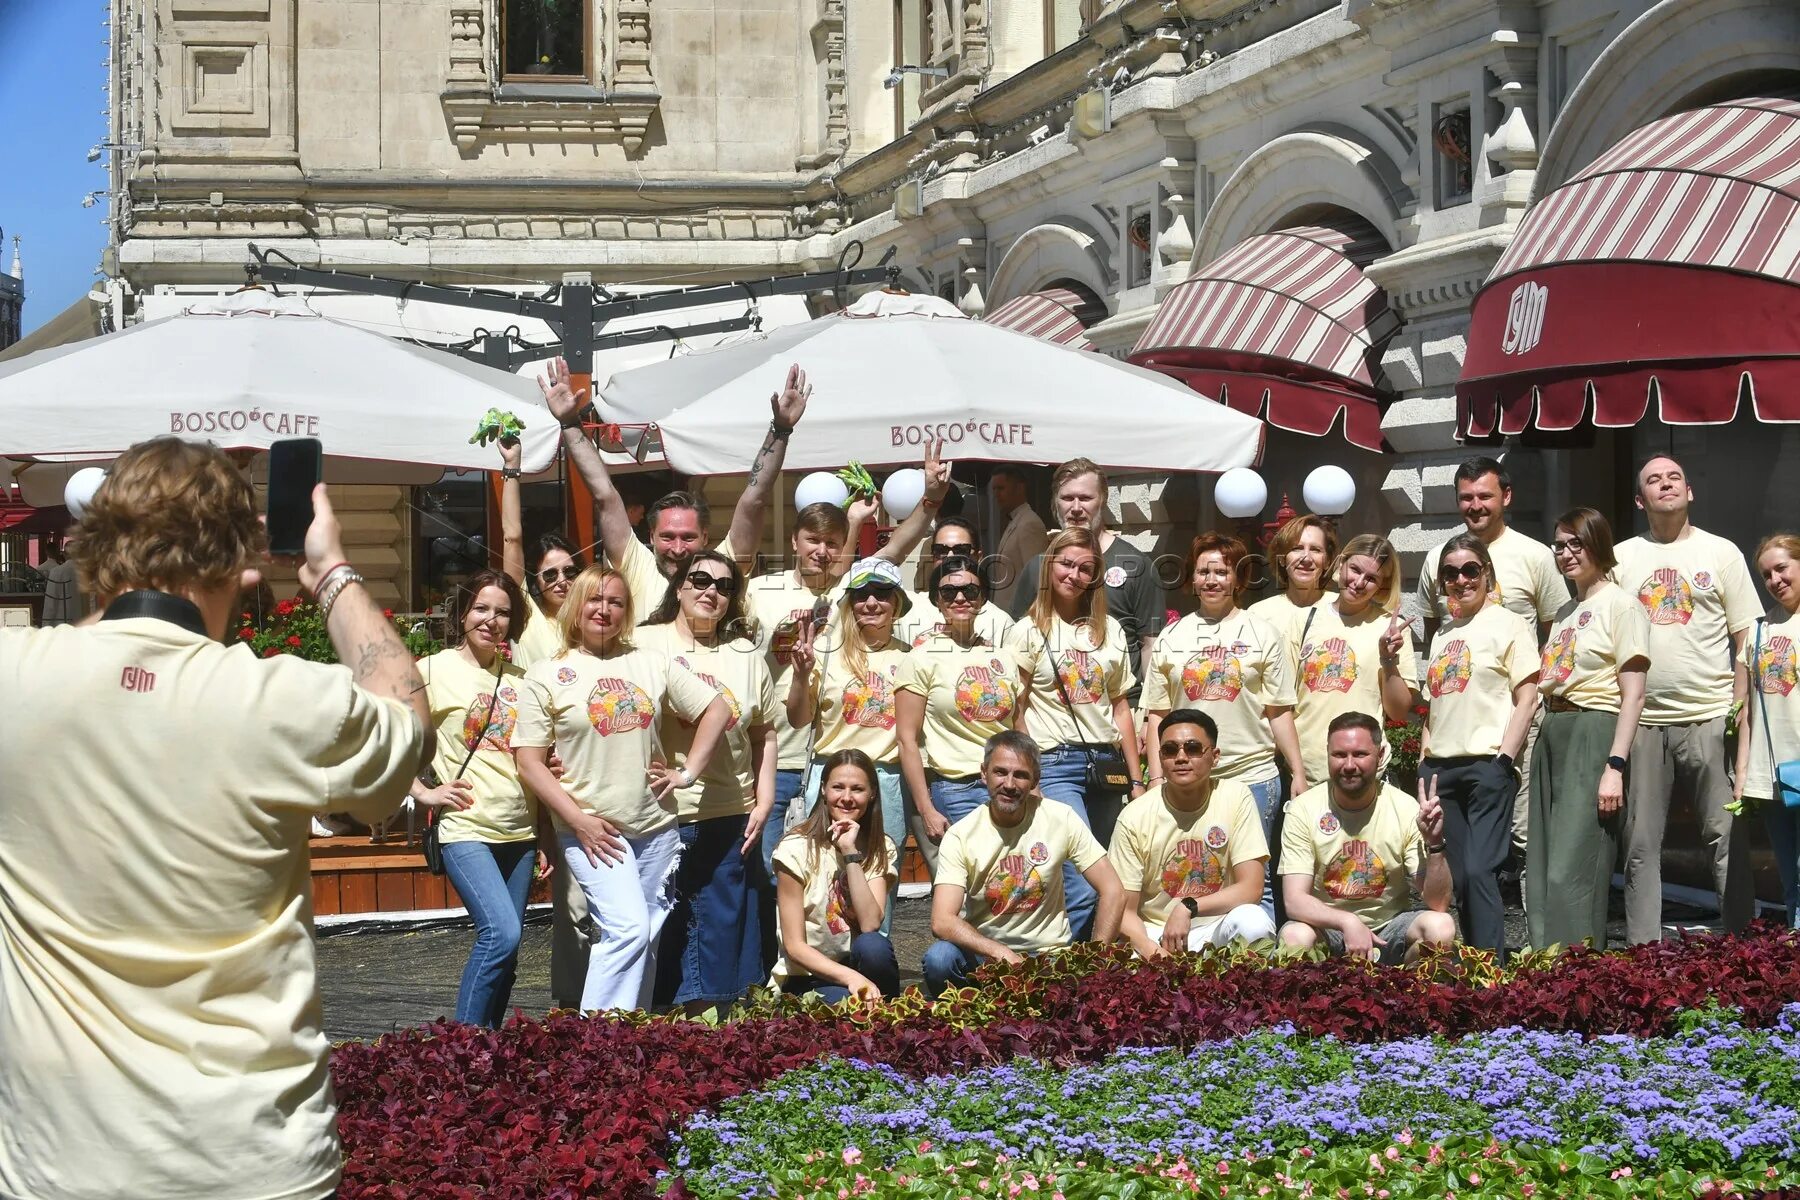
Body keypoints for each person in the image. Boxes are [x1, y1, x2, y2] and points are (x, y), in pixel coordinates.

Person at [0, 437, 431, 1200]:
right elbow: (407, 713)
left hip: (61, 1163)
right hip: (252, 1157)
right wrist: (331, 570)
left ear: (89, 551)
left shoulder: (13, 681)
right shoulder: (289, 704)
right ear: (245, 561)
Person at [513, 566, 733, 1011]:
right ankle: (596, 1043)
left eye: (615, 602)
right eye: (594, 599)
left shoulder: (650, 662)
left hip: (654, 827)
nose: (604, 609)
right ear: (576, 607)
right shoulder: (547, 673)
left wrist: (686, 774)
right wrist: (576, 821)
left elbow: (717, 708)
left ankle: (632, 1035)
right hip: (593, 829)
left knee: (647, 935)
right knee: (628, 929)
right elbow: (528, 761)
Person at [746, 442, 953, 877]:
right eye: (813, 541)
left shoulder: (849, 594)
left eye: (832, 543)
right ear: (794, 541)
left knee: (837, 876)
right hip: (768, 751)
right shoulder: (759, 591)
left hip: (824, 760)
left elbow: (898, 546)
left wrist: (931, 498)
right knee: (771, 872)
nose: (821, 551)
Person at [537, 355, 810, 619]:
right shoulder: (637, 565)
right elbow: (605, 496)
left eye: (688, 537)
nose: (678, 548)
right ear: (651, 535)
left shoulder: (722, 568)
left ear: (705, 537)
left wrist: (781, 430)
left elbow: (754, 501)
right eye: (668, 536)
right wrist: (570, 423)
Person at [1613, 454, 1757, 944]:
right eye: (1653, 479)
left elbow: (1745, 640)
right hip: (1644, 722)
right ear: (1640, 499)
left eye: (1674, 477)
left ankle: (1741, 945)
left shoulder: (1723, 553)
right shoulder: (1622, 558)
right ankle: (1643, 955)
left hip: (1710, 716)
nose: (1665, 484)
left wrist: (1738, 712)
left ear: (1689, 492)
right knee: (1640, 842)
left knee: (1726, 838)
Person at [637, 550, 779, 1011]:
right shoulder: (645, 644)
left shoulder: (746, 657)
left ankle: (713, 1036)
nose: (710, 591)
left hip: (728, 809)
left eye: (723, 585)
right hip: (658, 811)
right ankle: (657, 1027)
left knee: (720, 929)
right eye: (698, 580)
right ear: (678, 588)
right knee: (664, 928)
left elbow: (765, 733)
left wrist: (764, 800)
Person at [410, 568, 549, 1027]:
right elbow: (388, 741)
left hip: (521, 831)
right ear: (463, 613)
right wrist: (424, 792)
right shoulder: (429, 670)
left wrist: (545, 832)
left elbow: (536, 760)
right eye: (482, 608)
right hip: (465, 828)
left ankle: (487, 1049)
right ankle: (461, 1049)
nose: (492, 620)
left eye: (503, 612)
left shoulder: (524, 680)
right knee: (501, 934)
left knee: (509, 956)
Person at [1416, 456, 1568, 877]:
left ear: (1506, 496)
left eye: (1485, 495)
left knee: (1523, 823)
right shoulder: (1438, 558)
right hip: (1458, 717)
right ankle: (1475, 922)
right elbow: (1435, 632)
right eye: (1466, 497)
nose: (1475, 505)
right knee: (1458, 834)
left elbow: (1555, 630)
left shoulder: (1535, 556)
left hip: (1517, 707)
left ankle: (1531, 926)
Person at [1143, 532, 1303, 917]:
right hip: (1188, 779)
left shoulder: (1262, 632)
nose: (1212, 580)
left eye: (1221, 571)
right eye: (1203, 572)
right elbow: (1156, 715)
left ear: (1237, 578)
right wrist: (1154, 778)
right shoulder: (1173, 637)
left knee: (1254, 880)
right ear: (1192, 579)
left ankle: (1258, 965)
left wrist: (1297, 771)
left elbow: (1278, 710)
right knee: (1200, 872)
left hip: (1252, 775)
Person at [1004, 526, 1141, 939]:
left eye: (1085, 568)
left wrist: (1136, 779)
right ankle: (1072, 973)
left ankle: (1095, 981)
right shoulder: (1026, 631)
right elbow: (1017, 708)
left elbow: (1120, 707)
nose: (1074, 575)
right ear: (1049, 566)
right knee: (1082, 884)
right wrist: (1032, 775)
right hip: (1055, 764)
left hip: (1105, 765)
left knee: (1110, 879)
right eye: (1066, 564)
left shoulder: (1109, 630)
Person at [493, 438, 589, 1008]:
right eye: (548, 573)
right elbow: (510, 543)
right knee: (570, 901)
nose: (558, 580)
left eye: (567, 571)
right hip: (539, 773)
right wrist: (511, 472)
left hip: (591, 768)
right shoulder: (526, 625)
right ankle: (569, 1008)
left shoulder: (598, 625)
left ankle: (610, 1005)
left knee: (593, 900)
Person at [922, 731, 1125, 996]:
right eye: (1000, 772)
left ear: (1035, 781)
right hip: (987, 955)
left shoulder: (1060, 817)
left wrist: (1095, 961)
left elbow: (1114, 891)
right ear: (984, 774)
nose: (1009, 784)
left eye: (1020, 775)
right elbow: (941, 920)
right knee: (939, 959)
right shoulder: (961, 835)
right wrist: (998, 951)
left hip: (1049, 955)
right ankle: (967, 1015)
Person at [1531, 508, 1649, 951]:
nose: (1565, 554)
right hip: (1554, 728)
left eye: (1575, 544)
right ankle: (1540, 966)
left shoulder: (1623, 605)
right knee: (1542, 861)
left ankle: (1576, 972)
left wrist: (1614, 764)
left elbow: (1633, 694)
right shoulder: (1564, 611)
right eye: (1559, 545)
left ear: (1598, 543)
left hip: (1593, 728)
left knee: (1573, 864)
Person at [1417, 533, 1540, 957]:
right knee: (1459, 876)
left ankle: (1492, 973)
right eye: (1450, 573)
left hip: (1487, 762)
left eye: (1470, 570)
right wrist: (1423, 761)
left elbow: (1528, 698)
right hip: (1440, 769)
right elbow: (1434, 705)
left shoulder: (1510, 624)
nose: (1461, 580)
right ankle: (1476, 962)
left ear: (1486, 573)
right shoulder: (1443, 635)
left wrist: (1504, 759)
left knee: (1480, 869)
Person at [1278, 712, 1456, 964]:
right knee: (1294, 936)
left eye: (1360, 754)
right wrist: (1347, 921)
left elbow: (1438, 903)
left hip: (1389, 928)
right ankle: (1311, 1001)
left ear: (1380, 756)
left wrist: (1435, 843)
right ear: (1327, 754)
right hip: (1329, 928)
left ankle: (1413, 998)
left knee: (1442, 928)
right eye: (1339, 755)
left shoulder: (1405, 808)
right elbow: (1294, 901)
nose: (1349, 765)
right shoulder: (1303, 809)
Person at [785, 557, 916, 876]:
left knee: (880, 877)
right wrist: (801, 676)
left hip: (885, 781)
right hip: (830, 777)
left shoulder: (911, 657)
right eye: (861, 594)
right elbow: (798, 719)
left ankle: (876, 931)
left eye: (882, 592)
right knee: (824, 878)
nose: (871, 602)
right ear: (849, 602)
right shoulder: (825, 652)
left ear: (896, 602)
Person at [1112, 710, 1277, 957]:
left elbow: (1251, 888)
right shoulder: (1134, 816)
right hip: (1157, 931)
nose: (1181, 757)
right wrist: (1154, 953)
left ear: (1215, 756)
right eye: (1170, 750)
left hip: (1216, 925)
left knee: (1254, 922)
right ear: (1160, 758)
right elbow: (1124, 911)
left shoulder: (1236, 797)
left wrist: (1188, 907)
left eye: (1192, 748)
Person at [1004, 457, 1164, 707]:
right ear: (1055, 502)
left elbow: (1149, 645)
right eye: (1067, 498)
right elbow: (1015, 645)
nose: (1076, 507)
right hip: (1050, 718)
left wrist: (1149, 712)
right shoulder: (1038, 567)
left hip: (1119, 709)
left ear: (1103, 500)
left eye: (1086, 498)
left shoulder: (1135, 565)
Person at [897, 555, 1023, 872]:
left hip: (1006, 786)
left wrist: (1033, 785)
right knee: (970, 887)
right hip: (956, 789)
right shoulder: (921, 657)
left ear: (982, 598)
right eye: (949, 592)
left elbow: (1018, 728)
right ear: (937, 600)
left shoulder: (1002, 656)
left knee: (1007, 884)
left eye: (970, 590)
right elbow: (906, 740)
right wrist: (925, 808)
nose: (960, 598)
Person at [768, 749, 902, 1001]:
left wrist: (850, 853)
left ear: (872, 793)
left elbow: (871, 923)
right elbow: (794, 946)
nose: (847, 798)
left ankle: (888, 1020)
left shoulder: (880, 847)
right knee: (848, 1007)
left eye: (858, 789)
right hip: (806, 976)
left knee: (874, 946)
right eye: (838, 787)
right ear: (823, 790)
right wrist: (851, 978)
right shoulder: (794, 847)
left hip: (859, 967)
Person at [1291, 534, 1418, 789]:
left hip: (1365, 774)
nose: (1359, 582)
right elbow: (1283, 704)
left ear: (1381, 586)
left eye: (1371, 578)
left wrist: (1388, 659)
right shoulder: (1303, 621)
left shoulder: (1390, 630)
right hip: (1308, 771)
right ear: (1341, 564)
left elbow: (1399, 711)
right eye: (1355, 569)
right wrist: (1296, 771)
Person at [1735, 533, 1800, 928]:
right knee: (1788, 872)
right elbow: (1744, 710)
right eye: (1766, 575)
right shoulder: (1758, 632)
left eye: (1782, 568)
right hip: (1772, 770)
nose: (1775, 580)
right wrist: (1743, 771)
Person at [895, 515, 1014, 647]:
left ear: (978, 557)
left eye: (961, 550)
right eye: (941, 550)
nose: (950, 557)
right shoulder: (907, 607)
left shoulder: (1000, 622)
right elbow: (876, 566)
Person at [1249, 513, 1336, 667]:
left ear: (1327, 561)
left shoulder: (1341, 609)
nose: (1306, 558)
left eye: (1315, 550)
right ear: (1282, 558)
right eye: (1297, 548)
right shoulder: (1258, 615)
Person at [990, 465, 1049, 612]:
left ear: (1019, 488)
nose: (996, 494)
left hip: (1018, 616)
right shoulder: (1016, 520)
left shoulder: (1030, 524)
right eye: (994, 489)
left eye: (1001, 488)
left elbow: (1036, 579)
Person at [37, 534, 83, 625]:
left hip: (62, 623)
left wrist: (46, 626)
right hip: (84, 623)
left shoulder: (56, 572)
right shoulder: (88, 573)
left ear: (64, 554)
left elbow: (50, 604)